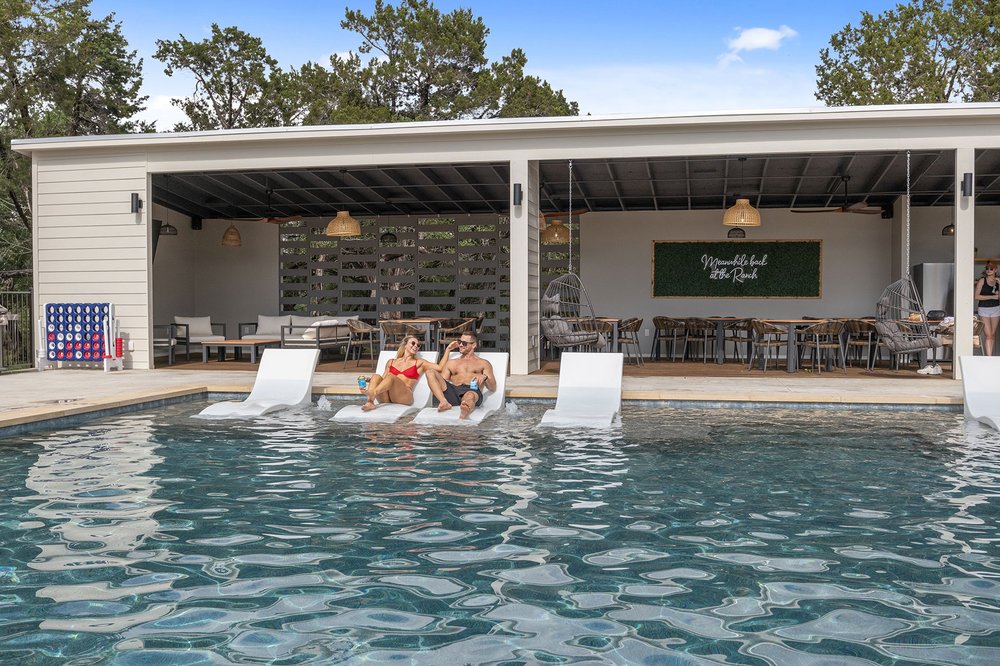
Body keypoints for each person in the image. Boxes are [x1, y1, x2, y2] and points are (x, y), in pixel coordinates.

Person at [359, 335, 446, 411]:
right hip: (388, 397)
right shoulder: (391, 362)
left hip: (404, 396)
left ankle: (372, 393)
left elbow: (440, 368)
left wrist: (448, 349)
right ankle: (370, 402)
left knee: (391, 376)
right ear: (405, 345)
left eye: (418, 345)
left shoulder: (419, 362)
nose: (416, 346)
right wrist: (371, 380)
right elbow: (383, 380)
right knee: (376, 376)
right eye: (413, 343)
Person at [426, 331, 496, 419]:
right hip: (453, 391)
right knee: (430, 372)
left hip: (471, 390)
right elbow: (440, 382)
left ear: (473, 345)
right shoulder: (452, 363)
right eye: (459, 342)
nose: (460, 345)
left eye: (464, 343)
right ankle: (444, 402)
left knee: (469, 396)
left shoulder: (483, 363)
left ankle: (465, 410)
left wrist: (485, 377)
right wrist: (448, 349)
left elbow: (493, 387)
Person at [976, 261, 1000, 356]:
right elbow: (977, 296)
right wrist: (993, 297)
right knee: (988, 335)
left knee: (992, 334)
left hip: (996, 309)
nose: (989, 270)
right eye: (987, 269)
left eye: (991, 269)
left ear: (996, 270)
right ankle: (988, 357)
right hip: (984, 309)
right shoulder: (982, 281)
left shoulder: (998, 281)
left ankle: (990, 356)